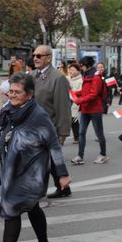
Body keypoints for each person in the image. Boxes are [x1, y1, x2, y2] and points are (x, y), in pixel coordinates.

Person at [0, 72, 71, 242]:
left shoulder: (38, 117)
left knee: (12, 210)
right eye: (10, 91)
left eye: (17, 92)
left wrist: (62, 174)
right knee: (32, 208)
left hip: (31, 174)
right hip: (11, 170)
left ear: (29, 95)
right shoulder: (8, 110)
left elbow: (54, 146)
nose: (12, 95)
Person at [31, 45, 72, 199]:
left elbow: (63, 106)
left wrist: (63, 132)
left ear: (48, 58)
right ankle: (64, 186)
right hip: (34, 127)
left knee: (44, 160)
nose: (35, 58)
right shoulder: (32, 75)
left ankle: (39, 190)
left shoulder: (58, 77)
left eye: (39, 56)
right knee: (52, 160)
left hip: (50, 127)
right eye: (34, 55)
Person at [71, 57, 109, 165]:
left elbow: (93, 94)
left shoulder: (96, 77)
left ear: (87, 65)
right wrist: (75, 93)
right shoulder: (86, 74)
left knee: (99, 133)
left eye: (82, 65)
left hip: (95, 109)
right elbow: (85, 91)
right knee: (81, 132)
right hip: (85, 109)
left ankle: (103, 154)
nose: (81, 68)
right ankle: (80, 156)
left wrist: (79, 100)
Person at [67, 63, 83, 144]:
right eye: (70, 69)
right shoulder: (67, 78)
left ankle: (77, 137)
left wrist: (72, 91)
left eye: (73, 70)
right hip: (66, 101)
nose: (71, 71)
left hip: (75, 101)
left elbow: (81, 92)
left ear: (78, 71)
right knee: (67, 119)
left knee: (74, 119)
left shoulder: (81, 80)